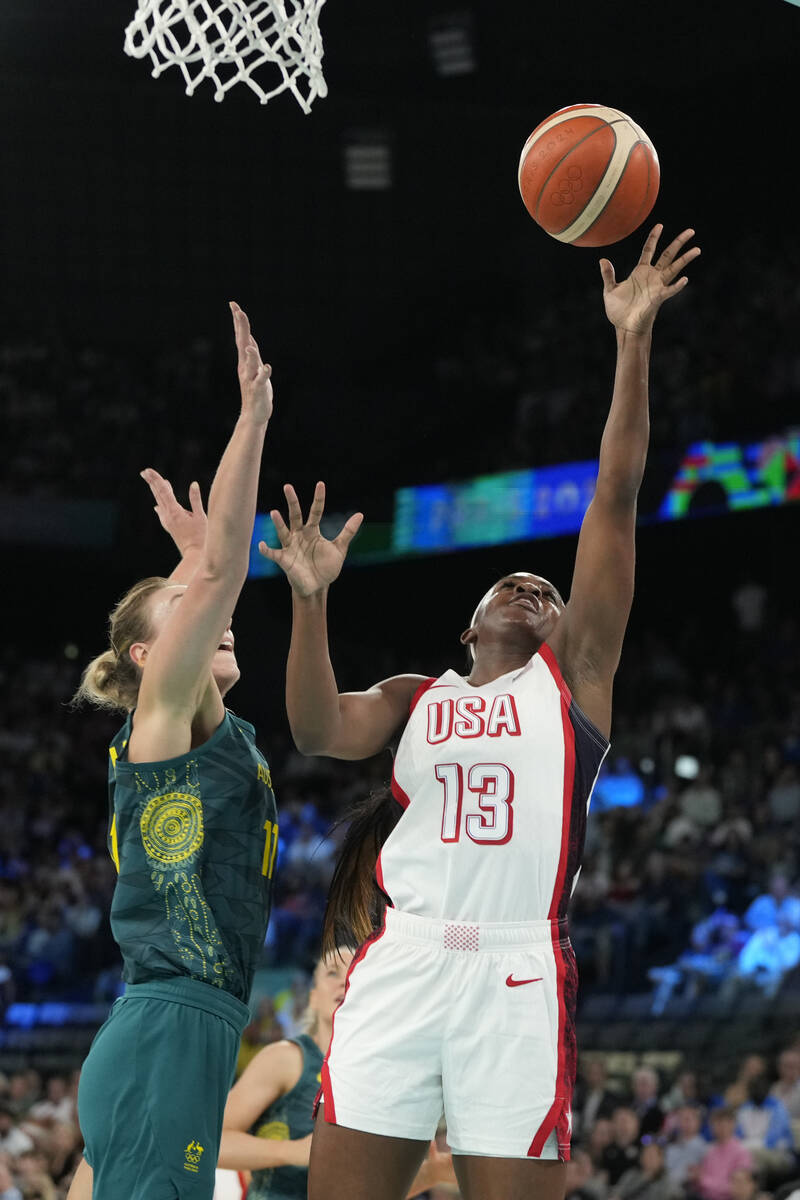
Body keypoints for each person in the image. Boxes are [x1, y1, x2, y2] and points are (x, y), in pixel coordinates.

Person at [261, 223, 700, 1200]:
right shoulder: (417, 699)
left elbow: (616, 499)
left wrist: (630, 342)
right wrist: (308, 601)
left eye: (543, 588)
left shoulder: (571, 686)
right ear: (465, 632)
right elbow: (314, 730)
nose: (528, 588)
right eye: (506, 581)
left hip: (515, 972)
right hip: (403, 957)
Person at [67, 303, 278, 1200]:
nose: (216, 620)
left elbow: (221, 574)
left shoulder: (215, 732)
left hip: (186, 1023)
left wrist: (193, 565)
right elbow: (231, 566)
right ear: (153, 657)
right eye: (192, 617)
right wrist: (253, 420)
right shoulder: (162, 717)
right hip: (170, 1022)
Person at [218, 949, 456, 1198]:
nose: (344, 980)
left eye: (357, 971)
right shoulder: (287, 1059)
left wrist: (431, 1175)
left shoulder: (386, 1079)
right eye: (332, 973)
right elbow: (214, 1142)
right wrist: (293, 1151)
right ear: (313, 997)